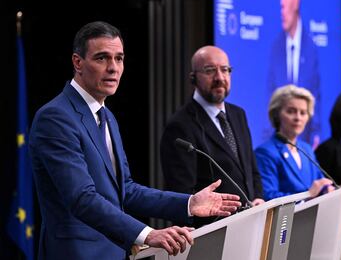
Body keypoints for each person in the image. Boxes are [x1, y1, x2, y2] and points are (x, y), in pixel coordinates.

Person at [29, 21, 241, 260]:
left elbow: (126, 191)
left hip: (114, 252)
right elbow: (81, 198)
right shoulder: (56, 117)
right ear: (78, 63)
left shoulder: (106, 116)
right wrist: (147, 234)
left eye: (119, 58)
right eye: (102, 58)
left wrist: (189, 203)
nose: (113, 68)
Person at [160, 45, 264, 227]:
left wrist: (257, 198)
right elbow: (182, 192)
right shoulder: (181, 125)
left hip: (249, 223)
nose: (219, 78)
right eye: (210, 71)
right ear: (193, 77)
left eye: (225, 70)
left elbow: (250, 170)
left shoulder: (238, 114)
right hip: (212, 230)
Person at [254, 85, 333, 200]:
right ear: (277, 114)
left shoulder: (307, 149)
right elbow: (268, 196)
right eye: (291, 111)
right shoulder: (265, 152)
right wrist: (307, 196)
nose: (298, 118)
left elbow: (320, 183)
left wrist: (327, 189)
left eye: (303, 113)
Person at [267, 0, 321, 147]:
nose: (281, 3)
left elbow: (318, 96)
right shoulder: (275, 47)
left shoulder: (311, 48)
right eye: (291, 112)